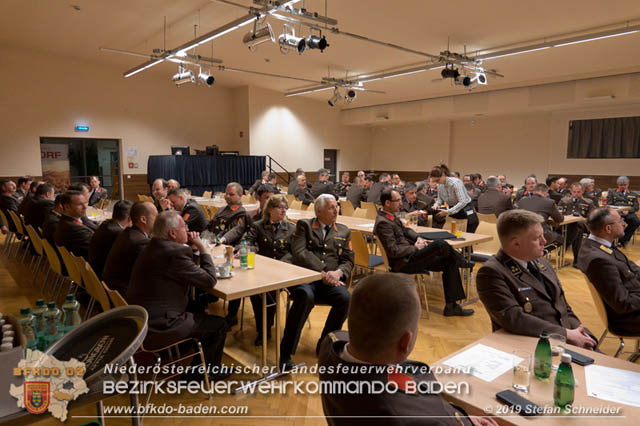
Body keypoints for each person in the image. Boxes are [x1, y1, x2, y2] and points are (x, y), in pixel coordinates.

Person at [319, 273, 497, 426]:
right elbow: (430, 414)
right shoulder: (411, 417)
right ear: (406, 342)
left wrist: (463, 418)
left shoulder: (331, 344)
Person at [476, 209, 596, 349]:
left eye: (543, 236)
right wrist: (566, 335)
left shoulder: (541, 262)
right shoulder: (492, 272)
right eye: (537, 238)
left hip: (568, 338)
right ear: (515, 243)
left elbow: (563, 306)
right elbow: (514, 319)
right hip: (535, 346)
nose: (544, 241)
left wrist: (581, 333)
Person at [127, 211, 228, 372]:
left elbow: (187, 271)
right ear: (172, 233)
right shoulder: (173, 253)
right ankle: (200, 376)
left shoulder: (154, 245)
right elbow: (209, 280)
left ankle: (185, 352)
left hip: (144, 318)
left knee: (198, 305)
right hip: (159, 326)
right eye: (184, 227)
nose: (188, 230)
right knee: (219, 325)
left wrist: (193, 249)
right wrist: (203, 248)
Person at [280, 194, 353, 371]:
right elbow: (300, 252)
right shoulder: (304, 226)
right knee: (305, 297)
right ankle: (285, 352)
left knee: (345, 298)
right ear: (319, 211)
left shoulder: (343, 230)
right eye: (331, 207)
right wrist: (323, 273)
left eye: (336, 206)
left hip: (330, 281)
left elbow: (348, 260)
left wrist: (338, 273)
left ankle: (325, 344)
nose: (336, 210)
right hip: (306, 279)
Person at [375, 189, 474, 316]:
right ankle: (461, 260)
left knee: (449, 261)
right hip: (403, 262)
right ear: (387, 203)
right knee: (439, 244)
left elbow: (406, 230)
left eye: (400, 200)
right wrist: (415, 248)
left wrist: (418, 238)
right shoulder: (383, 222)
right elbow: (394, 251)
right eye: (398, 200)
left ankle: (452, 306)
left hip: (411, 256)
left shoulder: (389, 216)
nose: (401, 203)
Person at [577, 207, 640, 336]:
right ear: (608, 229)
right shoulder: (599, 260)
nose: (624, 223)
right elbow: (623, 303)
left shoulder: (596, 245)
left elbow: (629, 266)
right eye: (620, 220)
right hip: (628, 319)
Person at [245, 194, 295, 346]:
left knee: (270, 293)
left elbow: (294, 252)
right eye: (280, 207)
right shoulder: (258, 225)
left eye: (285, 207)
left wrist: (281, 264)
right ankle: (262, 328)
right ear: (270, 209)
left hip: (282, 272)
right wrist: (252, 251)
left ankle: (265, 329)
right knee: (254, 293)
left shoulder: (292, 228)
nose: (283, 211)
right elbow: (249, 242)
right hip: (261, 270)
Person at [103, 201, 157, 295]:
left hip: (114, 289)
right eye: (156, 216)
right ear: (143, 219)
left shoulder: (128, 233)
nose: (158, 220)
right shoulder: (139, 242)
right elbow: (155, 269)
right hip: (125, 295)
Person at [88, 200, 133, 278]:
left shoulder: (105, 224)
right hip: (103, 276)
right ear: (129, 218)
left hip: (93, 272)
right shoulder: (119, 233)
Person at [430, 164, 479, 233]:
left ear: (444, 175)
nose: (436, 183)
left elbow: (463, 202)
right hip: (453, 210)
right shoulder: (439, 185)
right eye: (434, 181)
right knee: (453, 234)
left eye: (437, 180)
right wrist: (437, 204)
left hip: (466, 210)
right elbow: (440, 199)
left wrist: (448, 211)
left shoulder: (456, 183)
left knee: (465, 237)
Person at [557, 183, 595, 267]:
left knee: (578, 225)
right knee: (577, 230)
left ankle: (565, 245)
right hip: (566, 225)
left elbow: (592, 218)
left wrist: (582, 218)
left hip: (583, 225)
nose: (576, 194)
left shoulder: (588, 202)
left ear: (582, 192)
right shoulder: (564, 201)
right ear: (571, 191)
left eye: (578, 192)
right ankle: (577, 260)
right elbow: (558, 214)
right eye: (574, 192)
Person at [54, 191, 95, 260]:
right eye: (79, 204)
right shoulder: (74, 229)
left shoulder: (64, 221)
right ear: (67, 207)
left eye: (85, 203)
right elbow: (96, 249)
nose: (85, 207)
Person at [606, 176, 640, 248]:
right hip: (616, 213)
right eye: (621, 185)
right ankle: (610, 242)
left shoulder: (633, 194)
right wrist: (617, 211)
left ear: (628, 184)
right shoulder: (612, 192)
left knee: (636, 221)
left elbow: (636, 207)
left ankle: (623, 240)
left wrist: (628, 211)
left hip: (628, 214)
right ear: (618, 185)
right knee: (611, 222)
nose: (623, 186)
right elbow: (608, 204)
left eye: (625, 185)